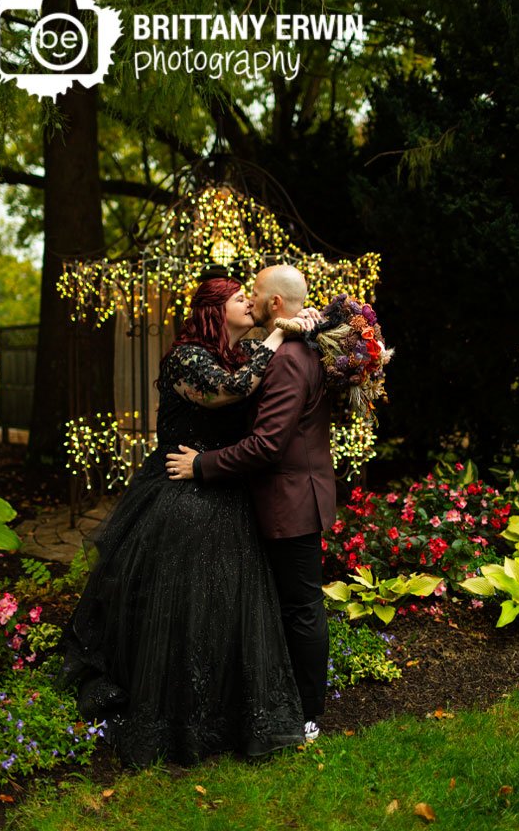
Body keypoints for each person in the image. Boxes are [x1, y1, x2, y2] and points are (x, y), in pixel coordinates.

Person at [60, 276, 311, 766]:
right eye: (240, 298)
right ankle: (174, 711)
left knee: (225, 605)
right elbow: (225, 392)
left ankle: (223, 708)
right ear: (214, 311)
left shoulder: (242, 353)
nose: (249, 303)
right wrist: (279, 334)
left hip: (222, 491)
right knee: (179, 603)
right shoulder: (187, 357)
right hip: (178, 494)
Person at [165, 264, 335, 742]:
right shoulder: (298, 347)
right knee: (284, 605)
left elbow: (267, 445)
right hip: (286, 494)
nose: (251, 300)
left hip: (289, 497)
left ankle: (305, 713)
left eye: (255, 294)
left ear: (275, 305)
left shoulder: (283, 359)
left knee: (300, 607)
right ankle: (267, 698)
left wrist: (203, 464)